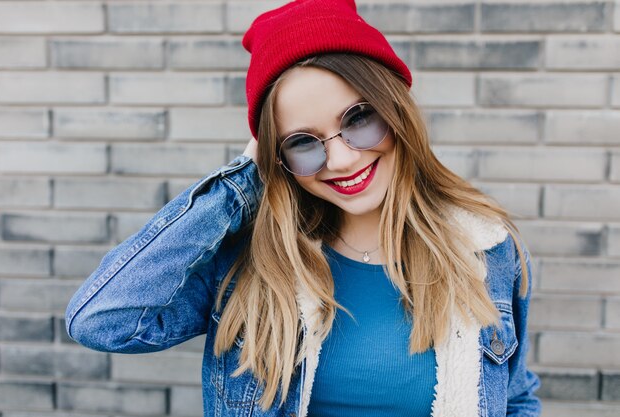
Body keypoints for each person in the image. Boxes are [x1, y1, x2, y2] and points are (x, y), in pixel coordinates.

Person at [66, 0, 541, 416]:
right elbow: (102, 321)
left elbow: (514, 398)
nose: (341, 158)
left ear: (397, 110)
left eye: (359, 119)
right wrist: (241, 185)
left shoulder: (484, 249)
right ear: (275, 159)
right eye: (302, 143)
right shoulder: (247, 265)